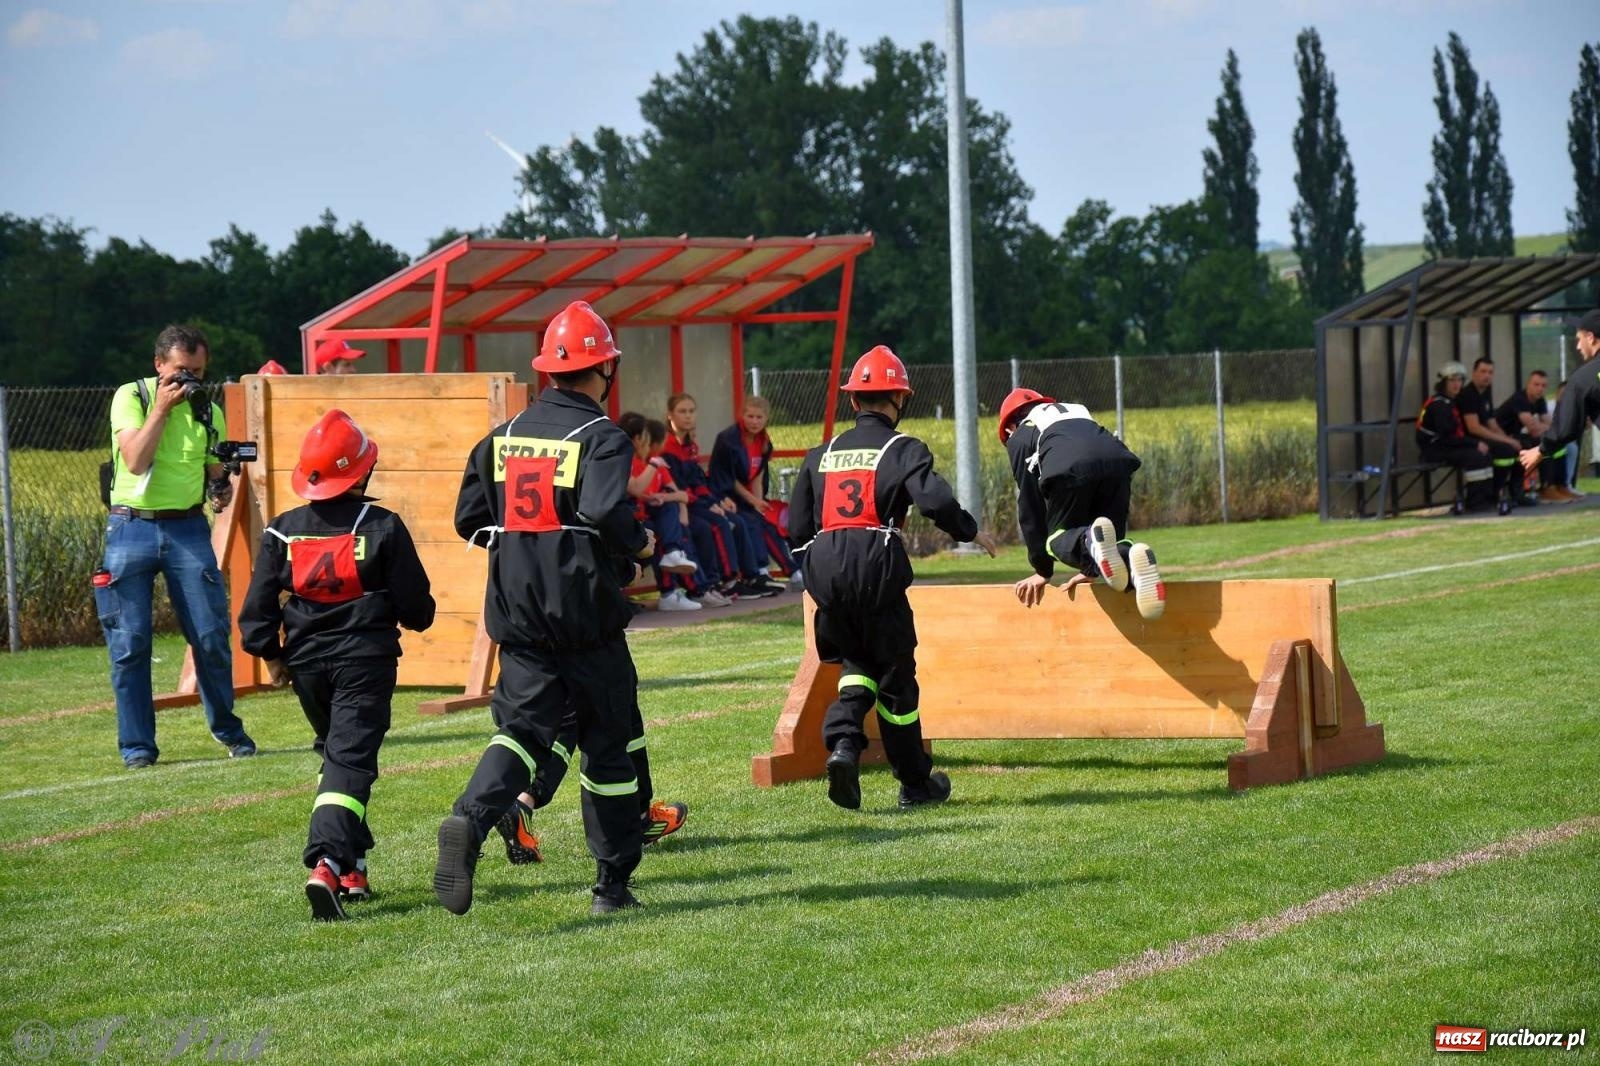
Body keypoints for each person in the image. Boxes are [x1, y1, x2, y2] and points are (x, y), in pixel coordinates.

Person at [434, 299, 670, 917]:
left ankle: (470, 819)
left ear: (546, 372)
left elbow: (468, 520)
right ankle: (612, 886)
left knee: (520, 734)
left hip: (519, 613)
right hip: (585, 615)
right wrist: (640, 542)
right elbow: (601, 510)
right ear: (605, 372)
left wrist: (524, 547)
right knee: (608, 745)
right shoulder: (603, 437)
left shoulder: (500, 438)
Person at [237, 410, 436, 921]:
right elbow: (418, 608)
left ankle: (353, 868)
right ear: (361, 472)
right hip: (365, 665)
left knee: (340, 758)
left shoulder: (282, 532)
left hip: (307, 669)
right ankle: (325, 861)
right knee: (349, 764)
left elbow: (256, 614)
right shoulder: (382, 526)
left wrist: (274, 657)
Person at [787, 346, 997, 811]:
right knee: (898, 678)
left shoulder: (820, 453)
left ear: (853, 401)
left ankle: (843, 744)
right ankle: (915, 784)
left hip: (826, 568)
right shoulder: (903, 449)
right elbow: (934, 501)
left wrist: (816, 568)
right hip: (876, 566)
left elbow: (796, 527)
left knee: (856, 665)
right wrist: (970, 531)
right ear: (900, 399)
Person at [97, 324, 255, 770]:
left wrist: (221, 487)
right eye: (181, 372)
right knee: (130, 645)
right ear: (158, 365)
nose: (190, 383)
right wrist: (162, 409)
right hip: (131, 528)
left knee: (210, 636)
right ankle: (138, 748)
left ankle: (229, 730)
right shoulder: (133, 397)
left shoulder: (207, 411)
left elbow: (214, 475)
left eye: (199, 373)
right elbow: (135, 459)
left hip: (187, 528)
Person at [997, 387, 1166, 619]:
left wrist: (1042, 570)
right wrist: (1090, 568)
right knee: (1111, 540)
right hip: (1117, 461)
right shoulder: (1073, 413)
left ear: (1009, 428)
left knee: (1057, 540)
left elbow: (1030, 505)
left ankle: (1090, 544)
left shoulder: (1019, 436)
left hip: (1070, 465)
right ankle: (1131, 560)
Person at [662, 392, 761, 602]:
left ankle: (751, 576)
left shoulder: (690, 445)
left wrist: (715, 501)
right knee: (715, 525)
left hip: (695, 502)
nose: (688, 416)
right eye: (682, 411)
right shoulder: (666, 446)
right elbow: (677, 485)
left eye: (691, 411)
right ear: (670, 415)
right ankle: (725, 582)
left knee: (736, 520)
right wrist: (708, 504)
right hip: (680, 505)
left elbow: (698, 481)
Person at [619, 412, 710, 611]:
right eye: (646, 437)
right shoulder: (628, 461)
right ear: (637, 439)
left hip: (646, 518)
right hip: (626, 521)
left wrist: (680, 509)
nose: (649, 443)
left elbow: (679, 495)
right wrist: (654, 467)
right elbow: (636, 489)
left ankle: (690, 585)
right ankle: (688, 589)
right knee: (661, 534)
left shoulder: (651, 463)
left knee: (678, 530)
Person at [711, 395, 794, 592]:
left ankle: (793, 571)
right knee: (750, 521)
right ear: (741, 415)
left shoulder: (764, 441)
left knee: (769, 521)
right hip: (726, 495)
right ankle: (757, 572)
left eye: (759, 417)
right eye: (750, 416)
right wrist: (753, 501)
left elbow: (758, 473)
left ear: (767, 418)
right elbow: (729, 480)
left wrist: (759, 501)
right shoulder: (728, 440)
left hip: (748, 496)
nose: (754, 421)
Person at [1522, 309, 1600, 486]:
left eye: (1579, 339)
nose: (1578, 346)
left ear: (1590, 337)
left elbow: (1567, 426)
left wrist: (1540, 451)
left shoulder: (1584, 378)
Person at [1417, 361, 1501, 514]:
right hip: (1434, 449)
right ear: (1443, 382)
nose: (1457, 384)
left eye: (1460, 380)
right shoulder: (1439, 405)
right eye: (1452, 380)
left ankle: (1487, 498)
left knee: (1486, 455)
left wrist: (1475, 443)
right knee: (1475, 456)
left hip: (1446, 446)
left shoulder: (1451, 402)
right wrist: (1474, 444)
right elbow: (1447, 437)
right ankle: (1475, 502)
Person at [1495, 370, 1576, 502]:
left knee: (1557, 443)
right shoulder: (1520, 399)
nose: (1540, 389)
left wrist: (1546, 428)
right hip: (1501, 437)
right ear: (1528, 384)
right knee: (1543, 443)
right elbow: (1533, 429)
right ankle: (1546, 488)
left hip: (1516, 437)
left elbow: (1550, 424)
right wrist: (1546, 428)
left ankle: (1560, 485)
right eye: (1536, 384)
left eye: (1543, 386)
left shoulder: (1540, 401)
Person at [1456, 356, 1525, 507]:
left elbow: (1491, 423)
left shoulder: (1485, 393)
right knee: (1505, 450)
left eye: (1490, 372)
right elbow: (1474, 427)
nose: (1486, 375)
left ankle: (1517, 493)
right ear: (1474, 373)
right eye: (1483, 371)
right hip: (1471, 440)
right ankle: (1493, 494)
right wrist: (1506, 441)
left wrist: (1509, 438)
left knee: (1521, 446)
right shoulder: (1468, 394)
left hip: (1484, 438)